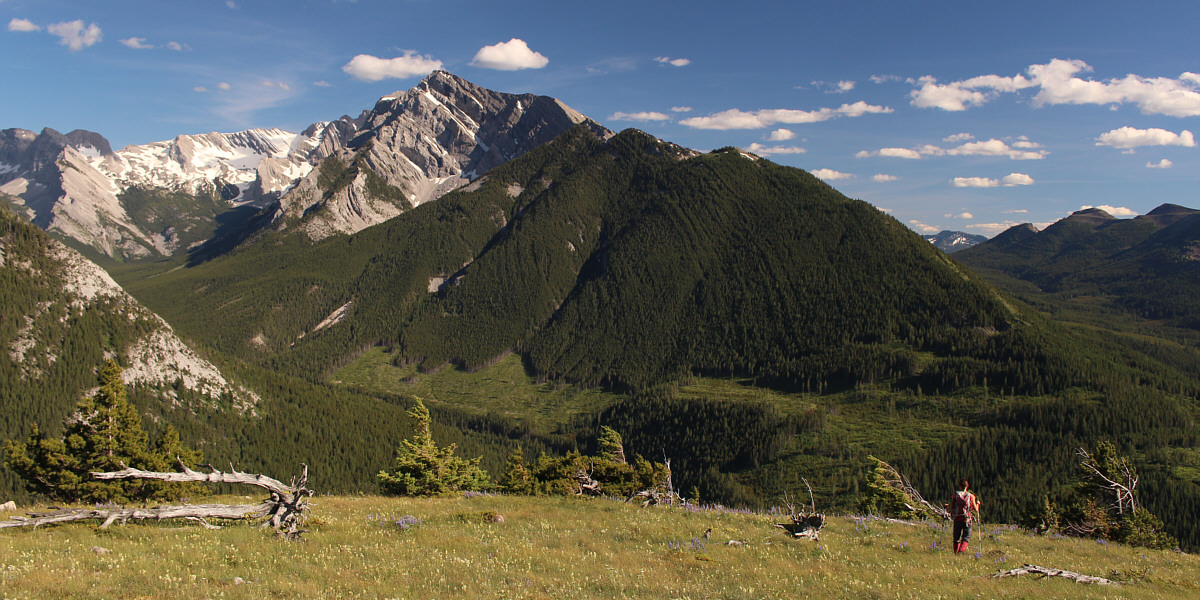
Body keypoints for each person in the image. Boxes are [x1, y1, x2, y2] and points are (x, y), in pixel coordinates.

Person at [946, 478, 980, 553]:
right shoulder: (971, 496)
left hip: (957, 518)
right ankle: (961, 550)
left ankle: (956, 552)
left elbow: (952, 507)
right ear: (967, 486)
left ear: (960, 486)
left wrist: (947, 506)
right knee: (966, 537)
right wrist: (978, 504)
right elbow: (976, 509)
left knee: (956, 537)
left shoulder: (956, 495)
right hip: (967, 519)